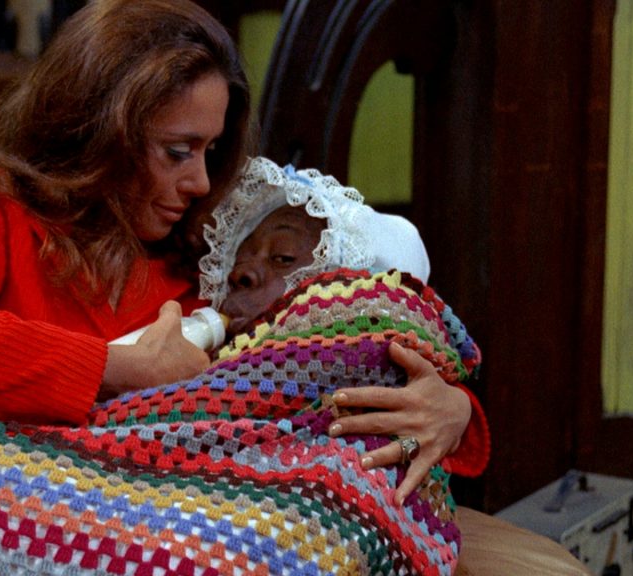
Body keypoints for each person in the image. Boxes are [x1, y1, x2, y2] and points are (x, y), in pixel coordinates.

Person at [0, 0, 253, 425]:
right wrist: (116, 369)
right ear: (97, 131)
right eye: (177, 151)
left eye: (210, 151)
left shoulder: (211, 261)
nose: (201, 183)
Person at [198, 156, 489, 503]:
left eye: (283, 258)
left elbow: (436, 422)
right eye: (240, 258)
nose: (240, 273)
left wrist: (454, 412)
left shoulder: (392, 376)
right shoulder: (201, 352)